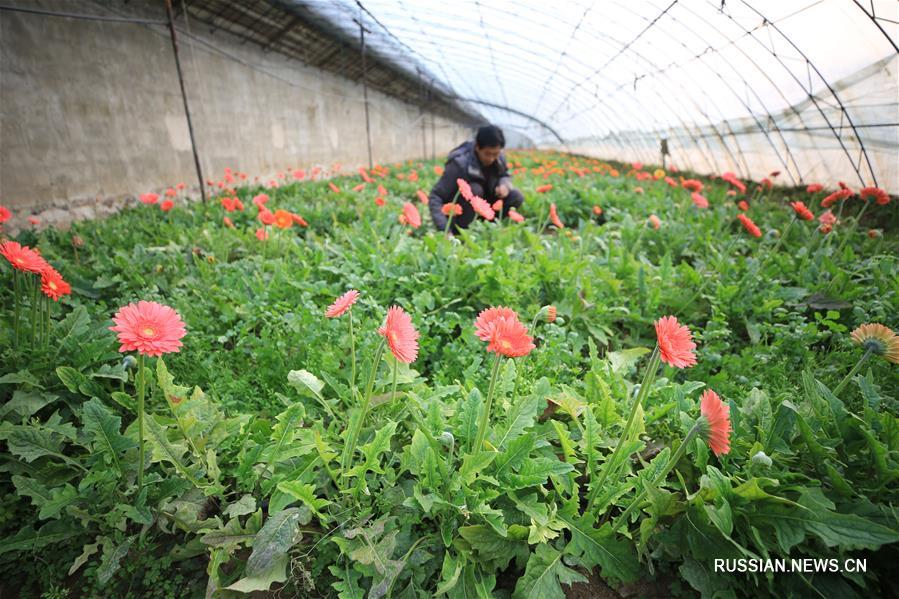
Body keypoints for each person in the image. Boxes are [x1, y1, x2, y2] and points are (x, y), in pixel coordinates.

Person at [428, 124, 524, 233]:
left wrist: (504, 184)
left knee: (516, 196)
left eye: (496, 154)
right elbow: (436, 196)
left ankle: (488, 229)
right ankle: (461, 232)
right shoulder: (459, 164)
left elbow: (505, 174)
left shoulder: (499, 158)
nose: (492, 159)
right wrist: (444, 229)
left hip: (484, 207)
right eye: (487, 154)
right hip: (461, 212)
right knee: (474, 189)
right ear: (477, 147)